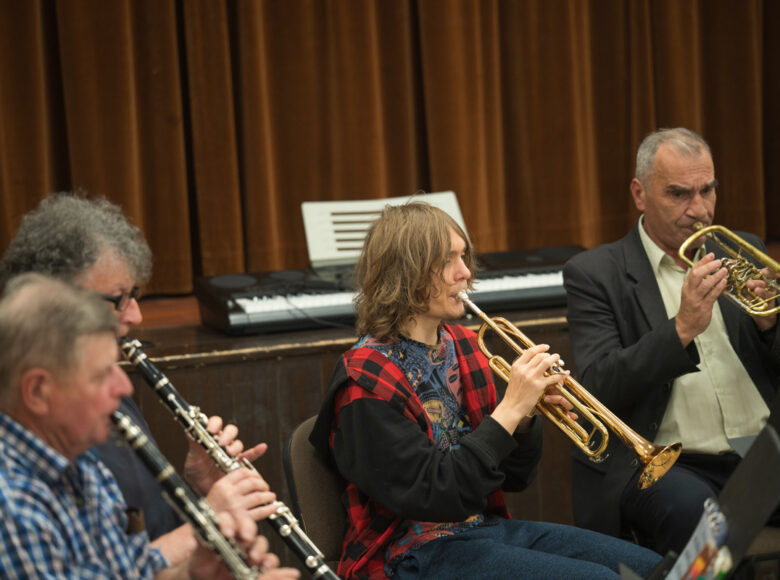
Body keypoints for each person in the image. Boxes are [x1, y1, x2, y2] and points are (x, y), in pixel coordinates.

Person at [309, 202, 661, 579]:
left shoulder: (463, 345)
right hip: (408, 552)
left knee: (653, 568)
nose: (466, 273)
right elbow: (434, 494)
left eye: (464, 257)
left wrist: (525, 418)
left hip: (481, 529)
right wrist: (510, 409)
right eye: (449, 261)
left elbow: (514, 477)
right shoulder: (364, 379)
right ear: (406, 273)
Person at [0, 192, 275, 565]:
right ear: (57, 299)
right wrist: (207, 518)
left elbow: (128, 552)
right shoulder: (45, 443)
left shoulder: (97, 414)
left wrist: (195, 487)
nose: (136, 316)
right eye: (119, 298)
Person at [562, 127, 780, 555]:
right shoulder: (596, 273)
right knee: (698, 524)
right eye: (679, 194)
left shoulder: (744, 251)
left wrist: (771, 326)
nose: (699, 210)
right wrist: (680, 329)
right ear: (640, 194)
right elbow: (596, 386)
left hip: (761, 450)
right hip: (669, 464)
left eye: (707, 190)